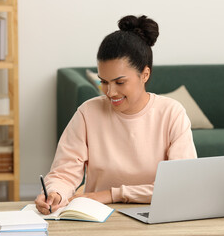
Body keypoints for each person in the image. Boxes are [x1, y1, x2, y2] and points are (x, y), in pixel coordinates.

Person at [35, 15, 197, 215]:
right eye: (103, 81)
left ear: (145, 74)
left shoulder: (172, 113)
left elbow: (179, 186)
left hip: (156, 215)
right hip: (96, 216)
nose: (110, 92)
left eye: (120, 82)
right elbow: (64, 173)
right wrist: (55, 193)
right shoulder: (88, 113)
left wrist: (112, 194)